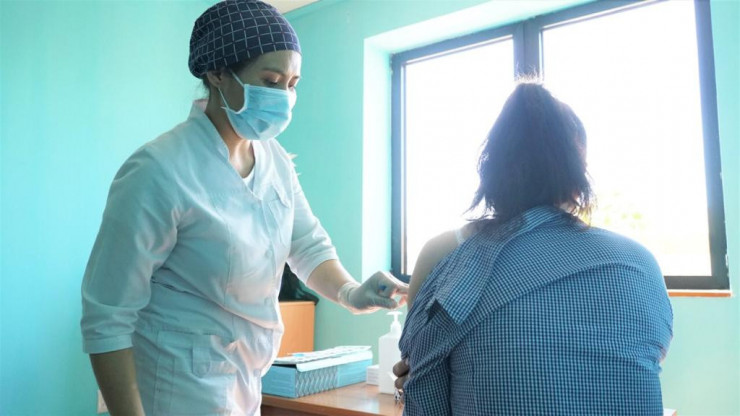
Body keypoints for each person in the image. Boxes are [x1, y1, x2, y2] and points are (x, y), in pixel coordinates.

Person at [80, 1, 407, 415]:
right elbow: (106, 316)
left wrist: (350, 292)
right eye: (270, 81)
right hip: (170, 393)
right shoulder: (159, 169)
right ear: (217, 73)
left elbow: (306, 245)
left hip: (245, 385)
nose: (283, 97)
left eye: (292, 83)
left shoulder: (275, 162)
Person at [393, 81, 673, 415]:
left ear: (491, 169)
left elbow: (424, 390)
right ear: (578, 172)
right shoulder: (639, 263)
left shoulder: (446, 254)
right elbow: (645, 360)